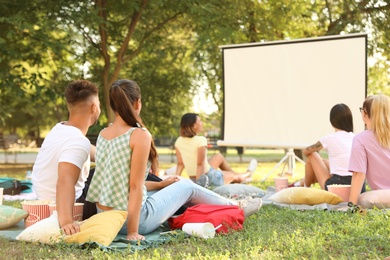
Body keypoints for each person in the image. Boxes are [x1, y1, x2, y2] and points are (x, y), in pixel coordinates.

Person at [86, 79, 262, 241]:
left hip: (106, 217)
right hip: (133, 222)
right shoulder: (139, 135)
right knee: (186, 185)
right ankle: (236, 206)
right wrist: (133, 232)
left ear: (112, 104)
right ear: (138, 103)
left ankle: (226, 206)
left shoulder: (103, 134)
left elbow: (123, 183)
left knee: (174, 185)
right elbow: (135, 186)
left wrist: (162, 185)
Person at [32, 79, 101, 235]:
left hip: (44, 199)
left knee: (107, 166)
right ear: (94, 107)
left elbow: (92, 151)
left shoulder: (60, 129)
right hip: (70, 204)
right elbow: (65, 181)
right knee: (111, 173)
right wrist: (66, 221)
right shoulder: (77, 141)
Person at [175, 113, 257, 187]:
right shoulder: (201, 140)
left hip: (194, 176)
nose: (202, 123)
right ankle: (248, 174)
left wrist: (174, 181)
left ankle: (234, 176)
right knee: (236, 176)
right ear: (194, 126)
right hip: (208, 177)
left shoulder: (179, 141)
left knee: (219, 156)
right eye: (199, 121)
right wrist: (199, 185)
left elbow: (180, 164)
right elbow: (200, 164)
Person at [293, 104, 359, 191]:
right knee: (325, 162)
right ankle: (301, 183)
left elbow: (306, 151)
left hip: (337, 186)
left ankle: (304, 188)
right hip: (357, 186)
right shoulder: (356, 138)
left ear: (332, 120)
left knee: (312, 155)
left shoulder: (330, 138)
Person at [349, 94, 390, 205]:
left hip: (383, 195)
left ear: (365, 114)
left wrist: (351, 205)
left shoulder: (360, 139)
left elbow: (359, 174)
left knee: (363, 198)